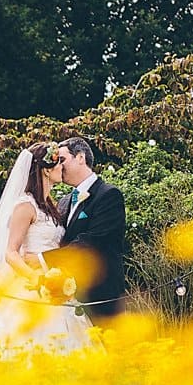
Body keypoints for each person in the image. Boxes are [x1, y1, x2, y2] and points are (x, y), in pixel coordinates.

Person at [0, 142, 96, 357]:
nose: (62, 169)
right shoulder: (25, 205)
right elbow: (11, 253)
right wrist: (38, 281)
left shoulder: (50, 205)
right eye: (59, 164)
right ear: (47, 170)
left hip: (56, 283)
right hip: (32, 287)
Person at [48, 135, 127, 320]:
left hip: (101, 298)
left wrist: (42, 260)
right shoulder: (64, 201)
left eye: (62, 159)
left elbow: (91, 242)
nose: (58, 166)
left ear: (81, 157)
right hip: (67, 299)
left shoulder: (109, 195)